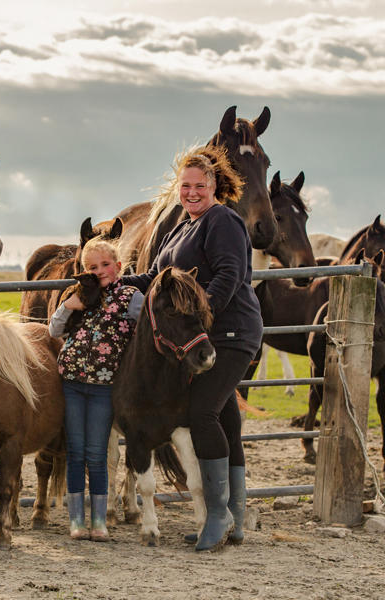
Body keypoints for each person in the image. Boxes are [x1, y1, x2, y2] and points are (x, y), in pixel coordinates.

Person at [123, 146, 263, 552]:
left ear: (214, 185)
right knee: (227, 421)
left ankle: (217, 515)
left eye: (200, 185)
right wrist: (119, 282)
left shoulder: (223, 221)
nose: (192, 192)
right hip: (203, 335)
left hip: (230, 332)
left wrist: (199, 320)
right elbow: (156, 276)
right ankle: (234, 517)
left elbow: (230, 275)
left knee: (201, 413)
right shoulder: (182, 226)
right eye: (186, 186)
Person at [48, 238, 144, 542]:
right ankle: (77, 521)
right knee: (75, 451)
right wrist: (67, 306)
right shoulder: (78, 295)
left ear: (117, 267)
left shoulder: (131, 297)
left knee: (96, 452)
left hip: (105, 386)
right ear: (84, 269)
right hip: (72, 382)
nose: (99, 271)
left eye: (105, 265)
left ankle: (100, 521)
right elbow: (53, 331)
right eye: (92, 267)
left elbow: (148, 330)